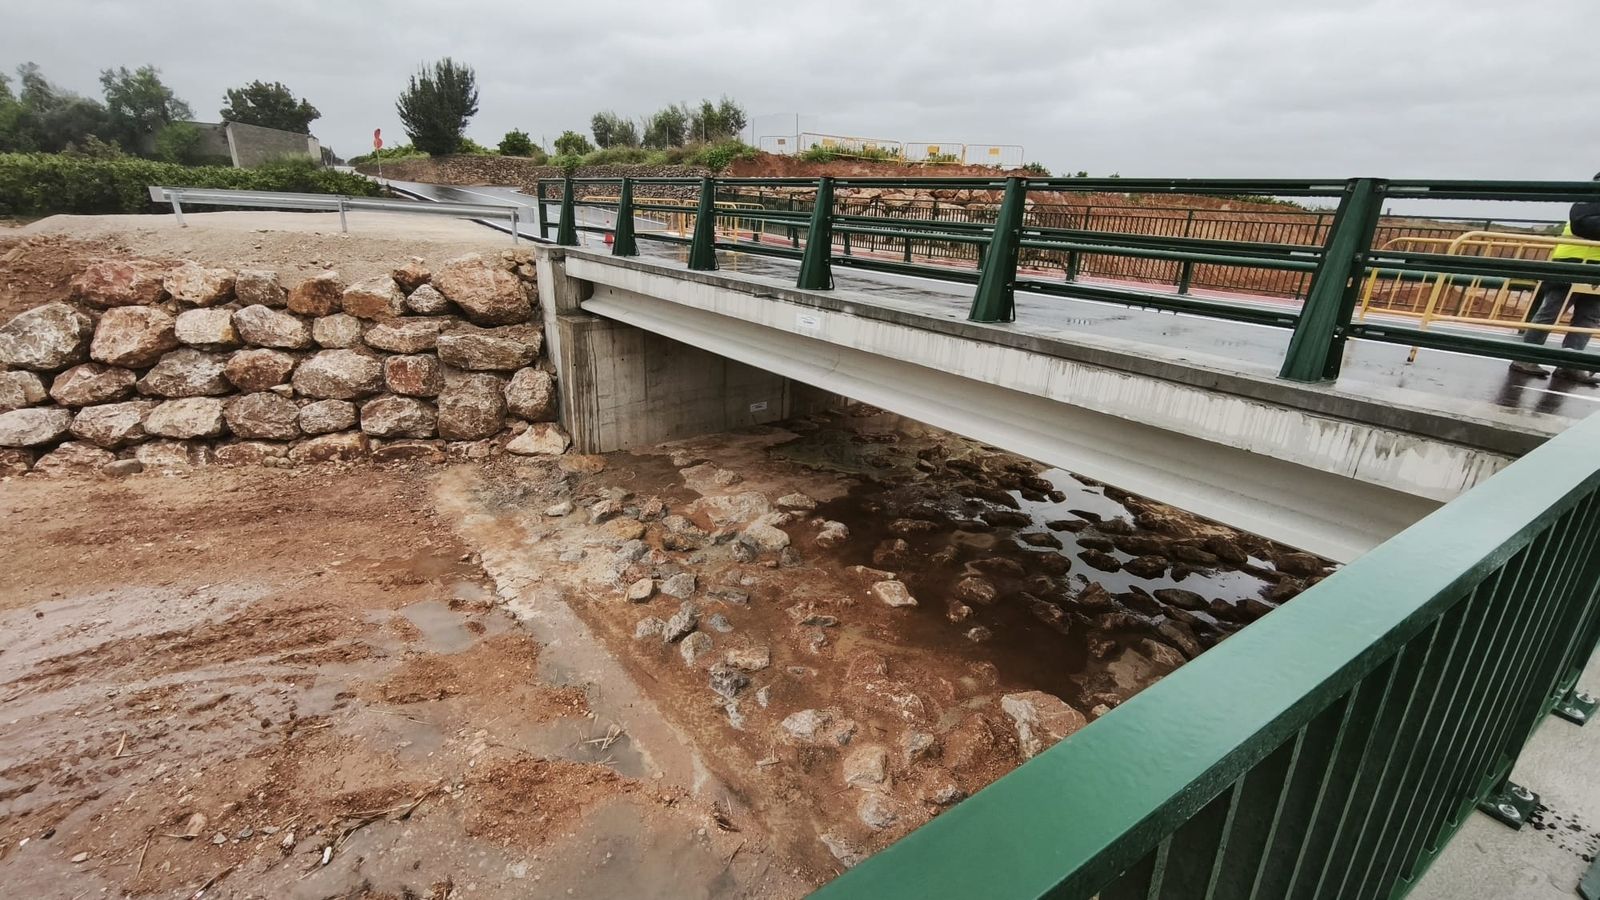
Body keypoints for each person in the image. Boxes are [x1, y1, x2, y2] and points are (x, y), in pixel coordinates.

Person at [1510, 173, 1600, 382]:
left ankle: (1570, 364)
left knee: (1588, 319)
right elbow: (1583, 224)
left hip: (1594, 267)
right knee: (1551, 312)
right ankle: (1525, 357)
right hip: (1573, 262)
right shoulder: (1591, 197)